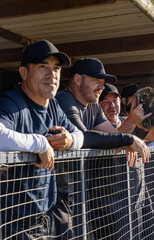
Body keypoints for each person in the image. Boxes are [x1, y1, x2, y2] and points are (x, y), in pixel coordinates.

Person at [55, 57, 151, 239]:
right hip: (58, 194)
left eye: (102, 82)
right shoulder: (64, 100)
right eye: (96, 81)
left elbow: (113, 137)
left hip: (79, 190)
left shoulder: (93, 106)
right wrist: (128, 139)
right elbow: (84, 137)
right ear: (77, 79)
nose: (101, 86)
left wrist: (126, 139)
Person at [0, 40, 83, 239]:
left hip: (45, 217)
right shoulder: (12, 102)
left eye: (56, 68)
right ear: (24, 73)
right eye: (42, 66)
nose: (51, 74)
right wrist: (39, 143)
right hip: (14, 225)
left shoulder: (53, 105)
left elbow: (81, 135)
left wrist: (70, 139)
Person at [99, 83, 154, 239]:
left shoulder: (126, 120)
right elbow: (113, 139)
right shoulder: (98, 127)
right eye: (106, 102)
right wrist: (129, 133)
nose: (112, 106)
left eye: (115, 100)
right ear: (98, 106)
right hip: (111, 206)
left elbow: (153, 135)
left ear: (121, 102)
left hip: (135, 201)